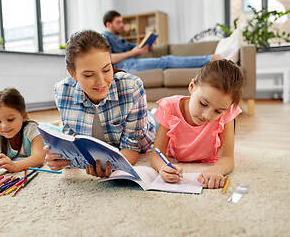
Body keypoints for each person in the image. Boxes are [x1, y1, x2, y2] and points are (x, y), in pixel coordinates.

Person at [44, 29, 157, 178]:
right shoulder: (62, 92)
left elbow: (130, 150)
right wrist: (61, 159)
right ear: (72, 74)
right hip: (101, 143)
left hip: (145, 129)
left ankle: (154, 112)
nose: (101, 81)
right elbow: (72, 143)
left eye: (106, 69)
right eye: (89, 75)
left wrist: (111, 167)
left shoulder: (132, 86)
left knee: (156, 119)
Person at [150, 59, 243, 189]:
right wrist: (163, 168)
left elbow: (227, 158)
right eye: (203, 104)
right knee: (148, 127)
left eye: (218, 111)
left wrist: (216, 170)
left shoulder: (227, 111)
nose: (207, 115)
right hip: (155, 126)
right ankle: (152, 114)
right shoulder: (169, 108)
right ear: (192, 87)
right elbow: (156, 153)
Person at [102, 10, 239, 73]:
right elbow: (108, 59)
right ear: (109, 24)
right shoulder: (104, 38)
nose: (122, 24)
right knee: (166, 60)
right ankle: (213, 58)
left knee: (166, 60)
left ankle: (214, 58)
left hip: (131, 62)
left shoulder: (119, 38)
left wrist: (146, 46)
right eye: (118, 22)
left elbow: (136, 47)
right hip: (124, 67)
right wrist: (132, 53)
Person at [0, 87, 45, 173]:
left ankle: (52, 124)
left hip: (42, 133)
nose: (4, 126)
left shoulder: (32, 129)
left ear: (24, 116)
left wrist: (15, 166)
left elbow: (38, 158)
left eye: (10, 120)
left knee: (45, 127)